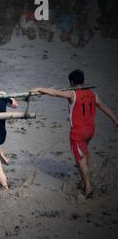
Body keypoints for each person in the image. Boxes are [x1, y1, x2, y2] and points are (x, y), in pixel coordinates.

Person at [32, 69, 118, 197]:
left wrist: (40, 88)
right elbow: (104, 107)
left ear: (71, 82)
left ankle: (88, 188)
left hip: (78, 133)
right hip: (90, 131)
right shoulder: (92, 94)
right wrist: (116, 121)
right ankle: (87, 180)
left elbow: (56, 93)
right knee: (84, 152)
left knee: (81, 160)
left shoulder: (73, 94)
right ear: (83, 81)